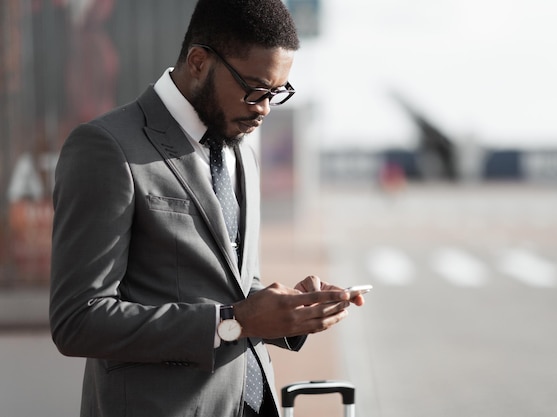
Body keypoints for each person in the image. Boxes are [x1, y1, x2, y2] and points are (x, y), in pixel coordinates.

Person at [49, 1, 365, 416]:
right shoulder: (108, 147)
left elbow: (233, 287)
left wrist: (285, 311)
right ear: (198, 61)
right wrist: (235, 320)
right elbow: (79, 321)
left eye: (276, 93)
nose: (265, 108)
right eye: (255, 89)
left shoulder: (241, 151)